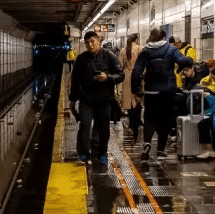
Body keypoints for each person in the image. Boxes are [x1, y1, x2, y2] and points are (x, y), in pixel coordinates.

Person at [132, 27, 194, 161]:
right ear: (164, 38)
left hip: (150, 90)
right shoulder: (171, 50)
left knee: (149, 118)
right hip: (167, 90)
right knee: (165, 120)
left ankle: (147, 142)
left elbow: (136, 72)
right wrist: (189, 60)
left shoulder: (145, 51)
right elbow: (183, 61)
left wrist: (135, 89)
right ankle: (160, 150)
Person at [69, 31, 124, 166]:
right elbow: (75, 80)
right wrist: (72, 99)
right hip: (86, 99)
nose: (90, 45)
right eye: (87, 42)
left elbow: (120, 75)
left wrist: (108, 78)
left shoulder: (110, 56)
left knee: (103, 129)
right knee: (85, 125)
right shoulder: (81, 59)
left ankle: (102, 153)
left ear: (99, 41)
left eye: (92, 41)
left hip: (104, 99)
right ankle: (83, 153)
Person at [117, 33, 143, 143]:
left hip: (127, 76)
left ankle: (132, 122)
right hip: (138, 75)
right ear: (136, 40)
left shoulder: (123, 50)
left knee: (129, 101)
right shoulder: (141, 49)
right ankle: (137, 121)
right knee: (138, 100)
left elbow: (119, 65)